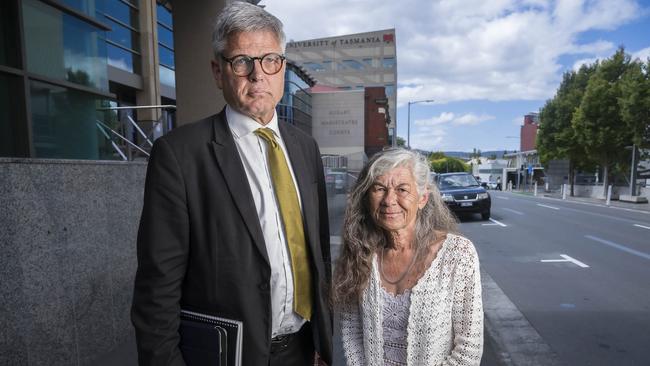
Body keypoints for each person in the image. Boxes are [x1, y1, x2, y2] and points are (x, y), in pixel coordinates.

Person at [131, 3, 332, 366]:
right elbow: (156, 289)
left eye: (271, 59)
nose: (258, 76)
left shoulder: (305, 148)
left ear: (283, 67)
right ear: (218, 71)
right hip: (227, 356)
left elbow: (318, 254)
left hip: (303, 350)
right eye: (242, 61)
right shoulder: (179, 155)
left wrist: (322, 339)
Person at [333, 148, 483, 365]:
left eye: (402, 189)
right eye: (379, 189)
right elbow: (352, 330)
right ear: (367, 198)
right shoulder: (359, 252)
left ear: (422, 198)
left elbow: (469, 348)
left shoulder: (457, 254)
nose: (389, 200)